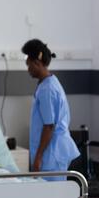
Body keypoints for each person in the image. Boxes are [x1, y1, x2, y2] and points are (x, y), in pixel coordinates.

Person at [22, 39, 80, 182]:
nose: (28, 69)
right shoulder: (49, 82)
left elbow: (49, 126)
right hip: (53, 153)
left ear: (37, 62)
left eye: (29, 65)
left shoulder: (47, 89)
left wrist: (38, 158)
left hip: (51, 156)